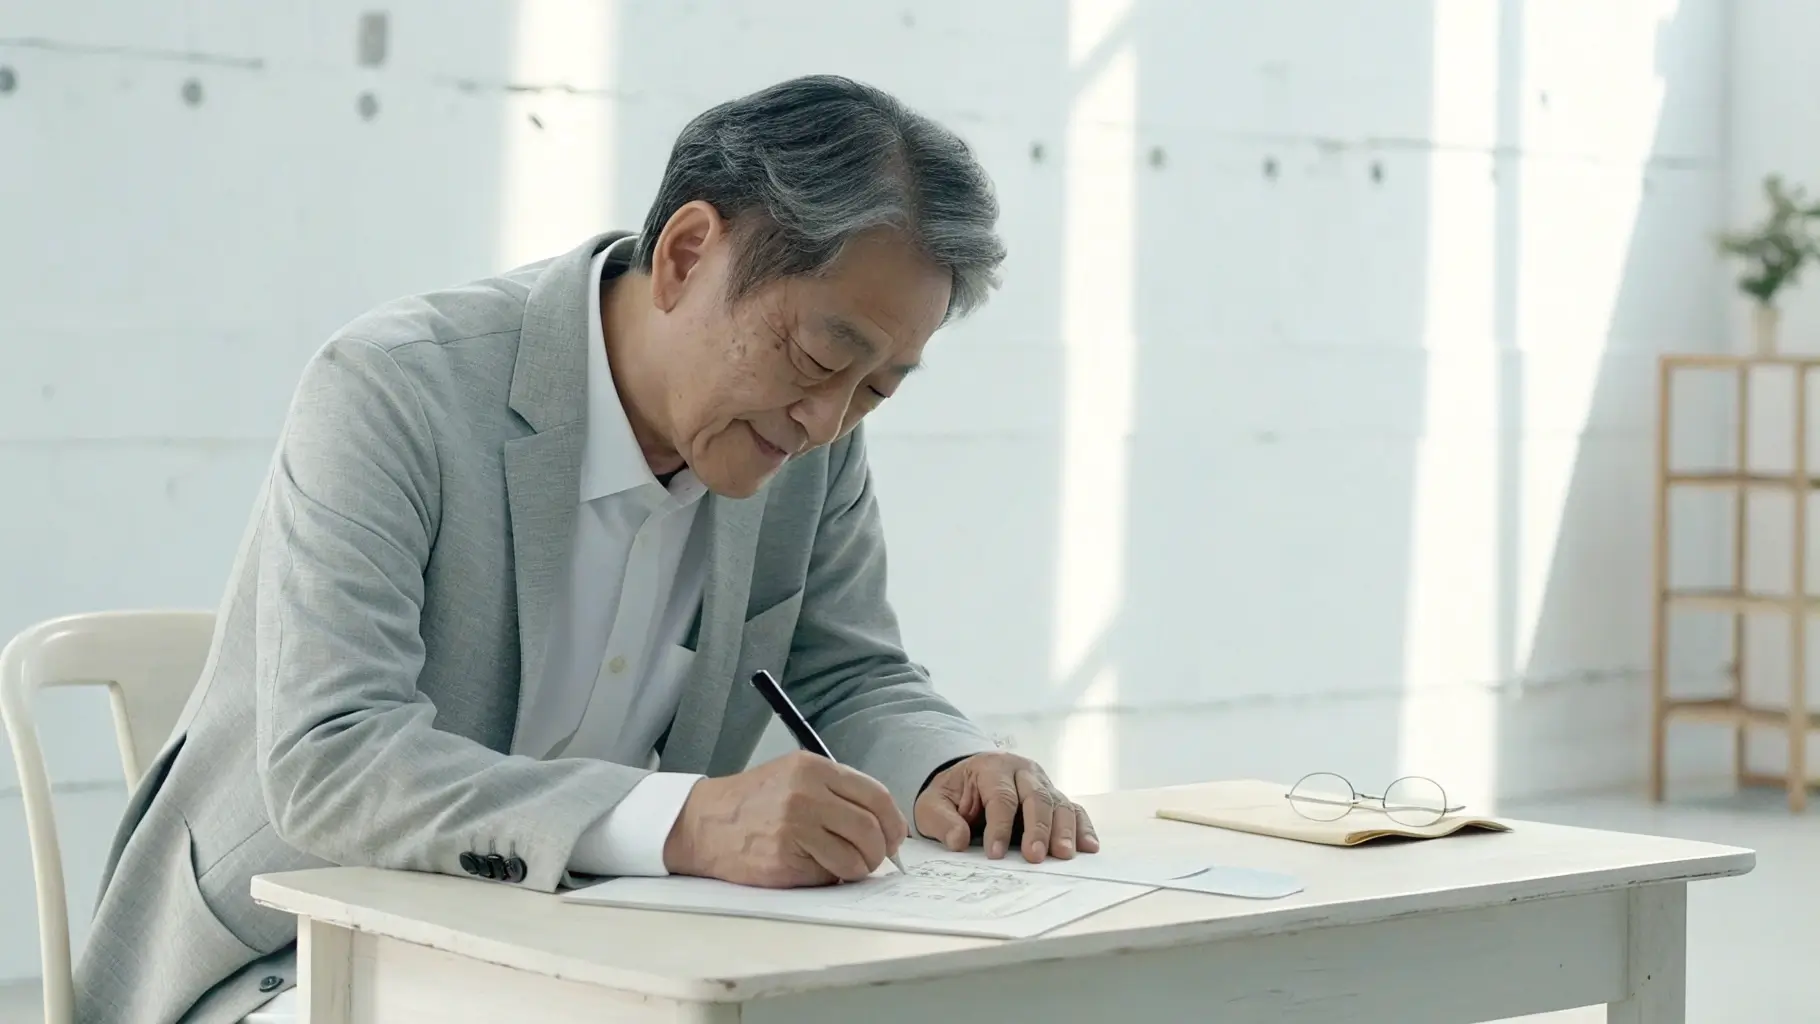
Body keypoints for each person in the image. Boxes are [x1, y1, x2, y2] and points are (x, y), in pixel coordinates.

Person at [73, 74, 1099, 1024]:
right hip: (290, 951)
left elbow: (848, 671)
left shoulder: (807, 443)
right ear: (687, 254)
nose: (827, 420)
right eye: (820, 354)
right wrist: (687, 822)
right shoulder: (393, 388)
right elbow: (333, 757)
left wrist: (956, 763)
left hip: (571, 946)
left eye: (876, 387)